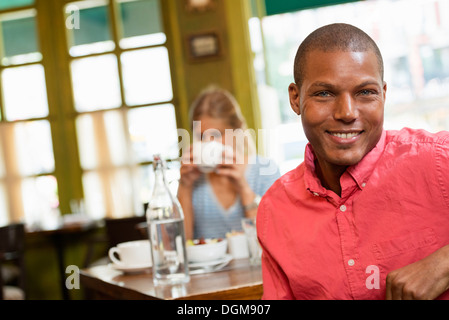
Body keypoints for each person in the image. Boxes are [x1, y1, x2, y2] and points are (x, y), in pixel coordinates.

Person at [257, 23, 449, 300]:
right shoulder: (276, 210)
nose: (347, 112)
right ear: (296, 98)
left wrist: (442, 265)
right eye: (325, 93)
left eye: (365, 92)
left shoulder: (438, 161)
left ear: (383, 93)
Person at [178, 86, 280, 240]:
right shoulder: (194, 180)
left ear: (237, 131)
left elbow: (273, 238)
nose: (208, 143)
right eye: (201, 137)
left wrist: (244, 188)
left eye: (216, 135)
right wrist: (184, 187)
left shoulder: (265, 170)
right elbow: (181, 244)